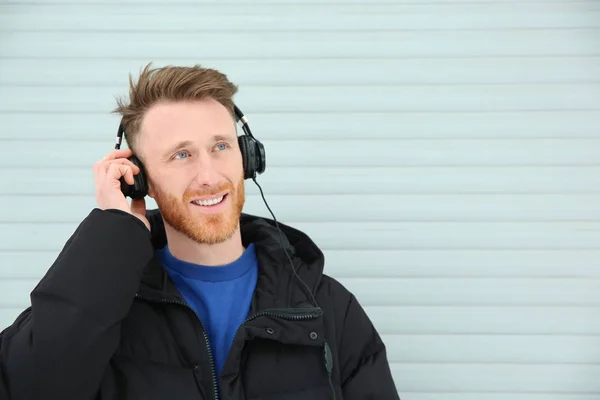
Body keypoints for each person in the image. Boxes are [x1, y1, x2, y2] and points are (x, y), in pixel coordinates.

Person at [0, 63, 399, 399]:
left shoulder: (329, 307)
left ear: (248, 158)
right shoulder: (103, 302)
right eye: (182, 155)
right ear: (139, 179)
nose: (209, 175)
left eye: (221, 147)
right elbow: (29, 386)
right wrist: (112, 230)